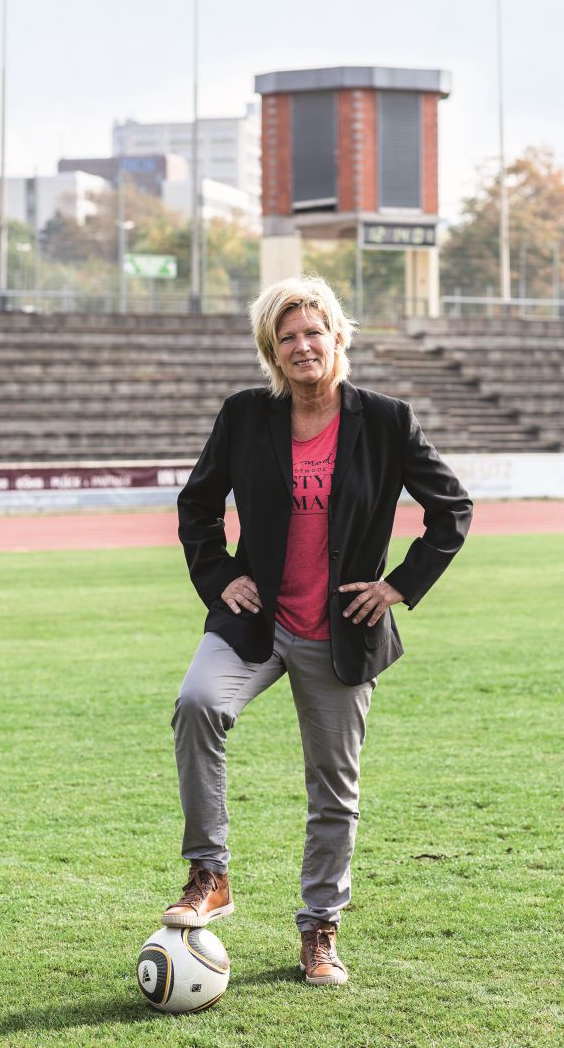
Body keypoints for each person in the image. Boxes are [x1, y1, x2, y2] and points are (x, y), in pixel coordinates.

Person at [163, 276, 472, 986]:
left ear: (337, 337)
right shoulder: (246, 415)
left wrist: (398, 585)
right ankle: (210, 873)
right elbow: (197, 505)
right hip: (255, 621)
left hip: (341, 631)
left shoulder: (386, 420)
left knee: (334, 789)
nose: (302, 346)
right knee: (197, 703)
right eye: (287, 337)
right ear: (271, 351)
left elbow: (451, 508)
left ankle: (319, 930)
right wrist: (219, 576)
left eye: (313, 332)